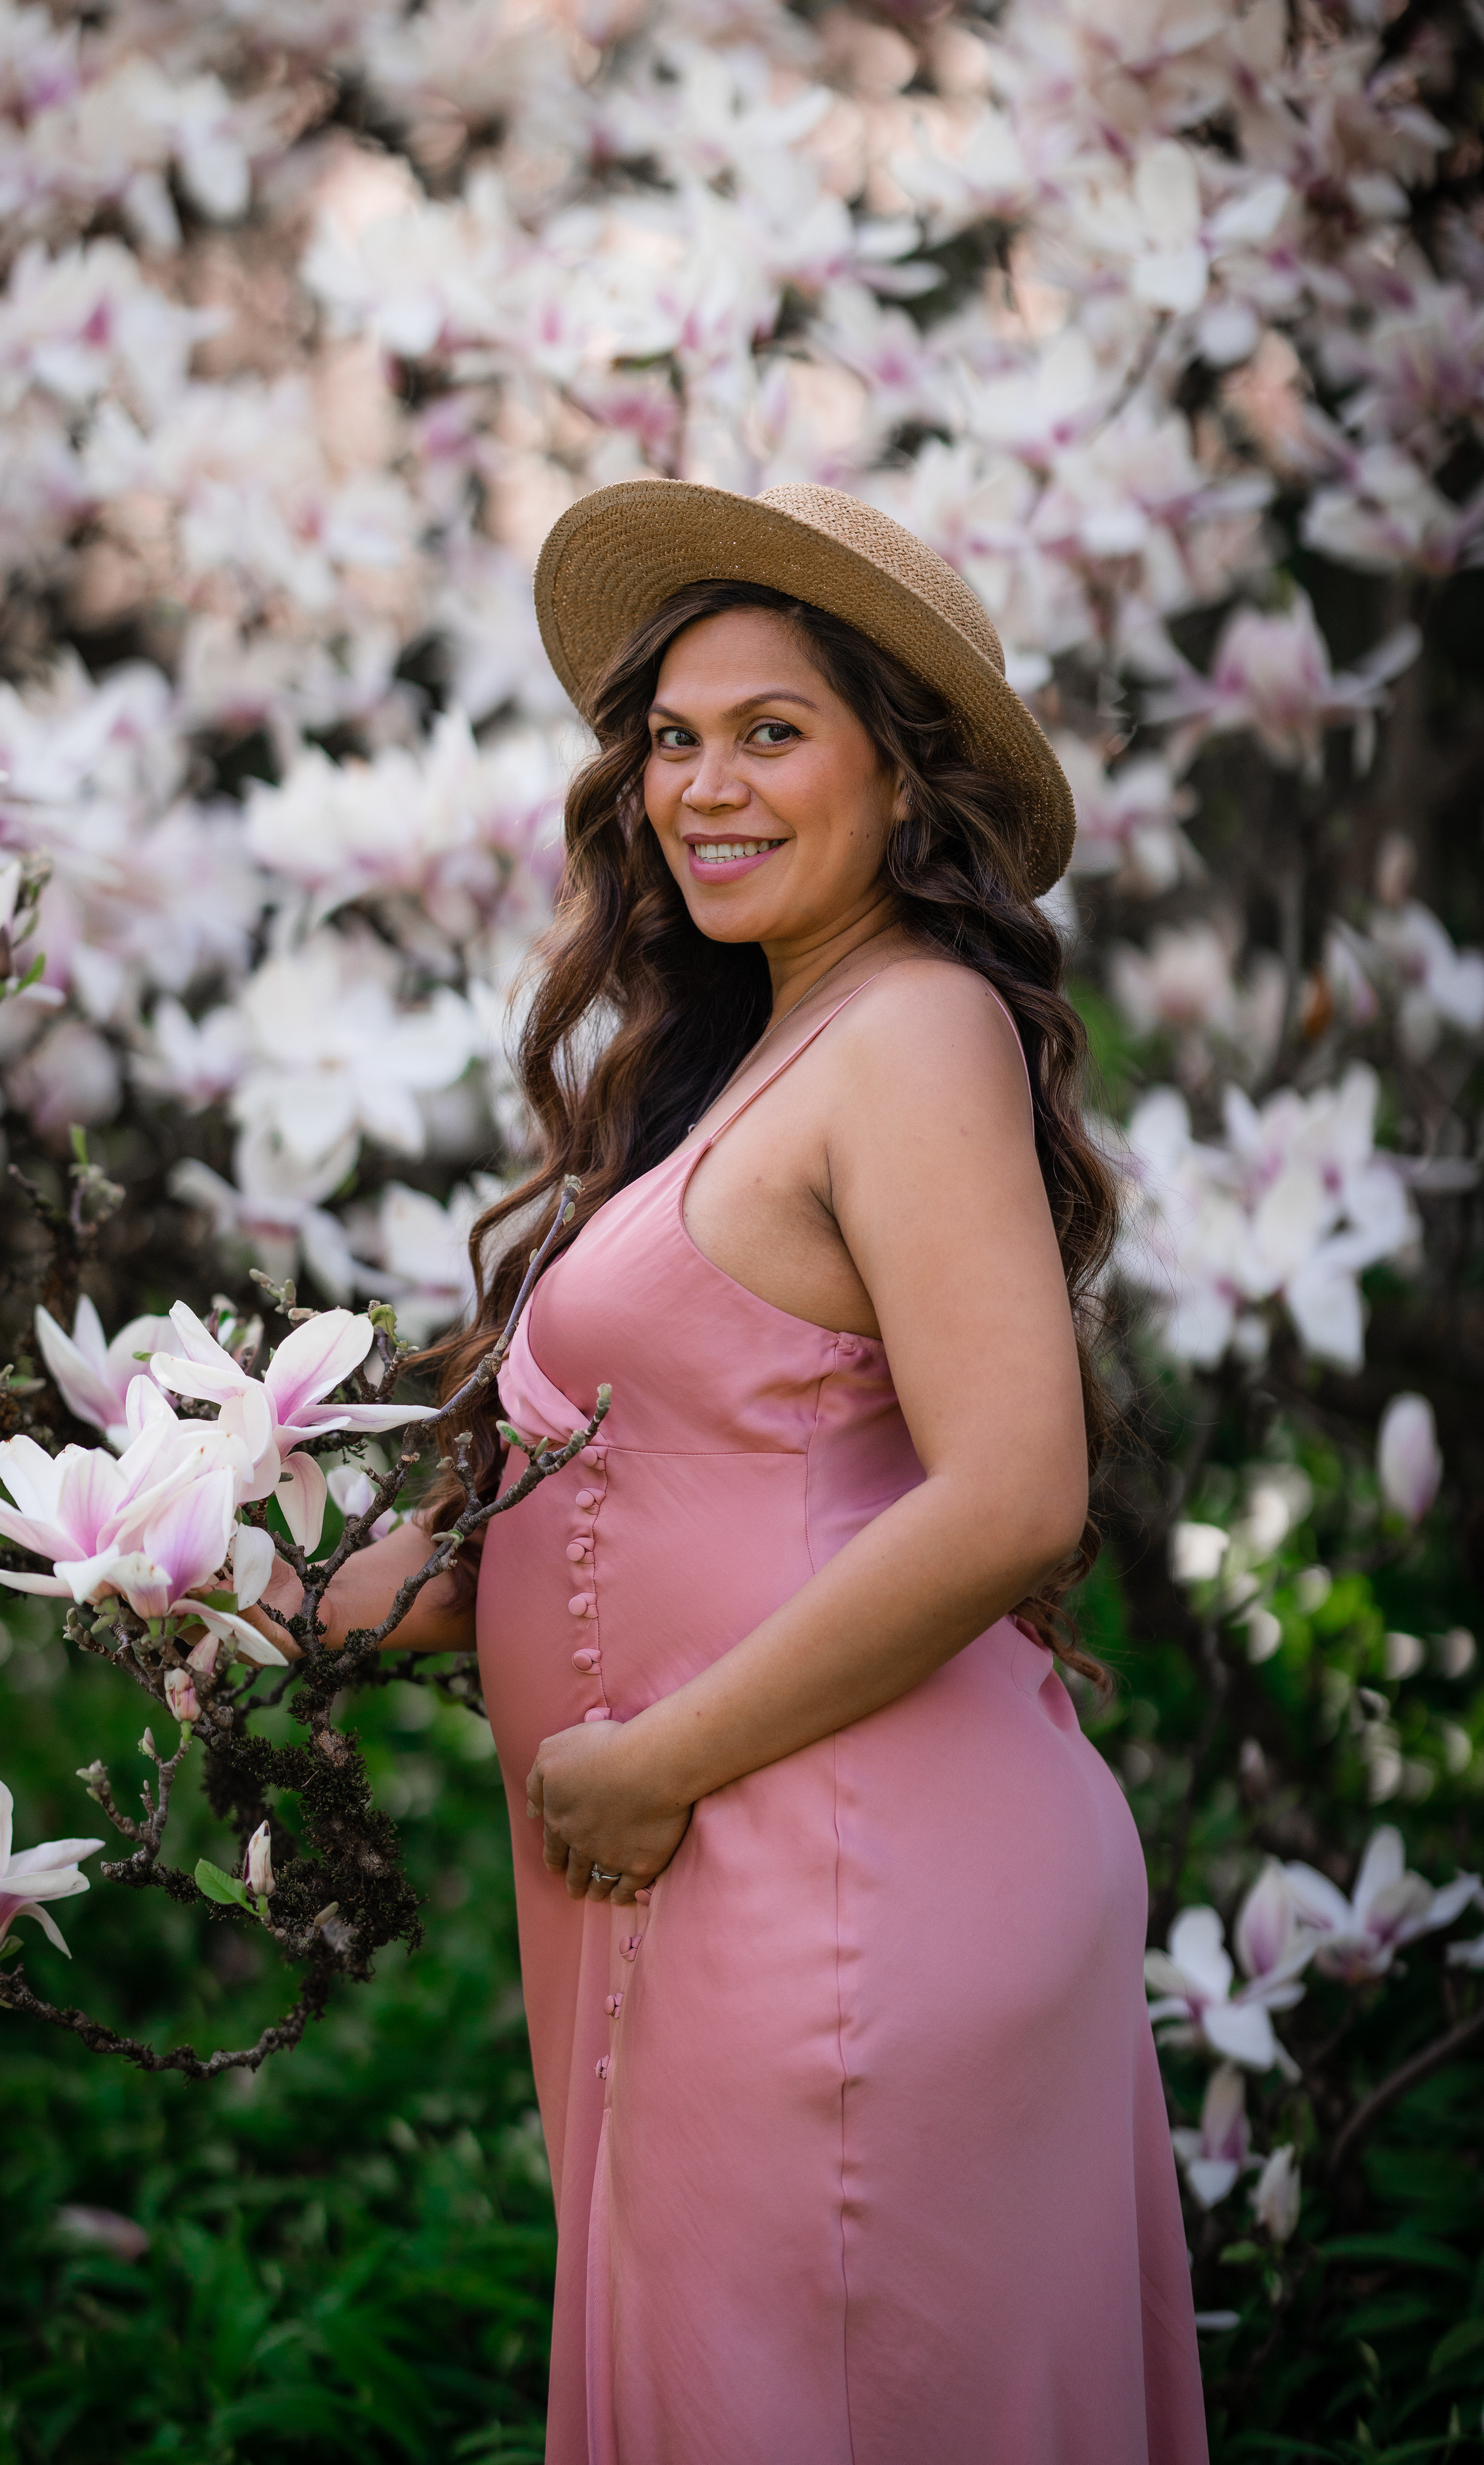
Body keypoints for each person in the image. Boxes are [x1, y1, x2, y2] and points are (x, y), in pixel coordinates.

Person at [280, 483, 1209, 2464]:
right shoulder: (750, 1065)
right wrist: (264, 1595)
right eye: (673, 739)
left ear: (904, 775)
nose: (704, 785)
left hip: (838, 1892)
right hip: (716, 1884)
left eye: (772, 732)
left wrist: (656, 1758)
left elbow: (1012, 1493)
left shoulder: (918, 1032)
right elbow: (645, 1485)